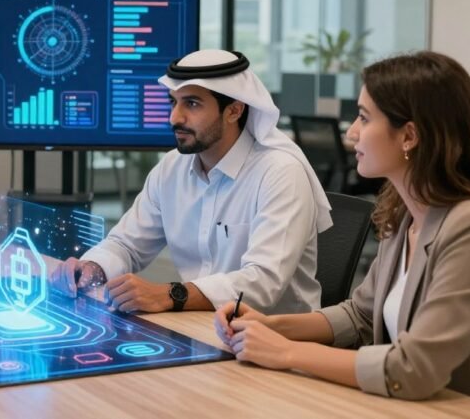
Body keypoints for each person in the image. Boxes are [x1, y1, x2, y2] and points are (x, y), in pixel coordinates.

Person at [215, 51, 470, 415]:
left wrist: (287, 352)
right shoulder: (407, 212)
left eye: (364, 118)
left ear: (409, 136)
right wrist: (271, 325)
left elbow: (414, 368)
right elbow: (362, 315)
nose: (352, 132)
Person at [51, 49, 332, 315]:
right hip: (199, 328)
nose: (175, 118)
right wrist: (93, 267)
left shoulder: (280, 172)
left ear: (234, 111)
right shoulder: (172, 168)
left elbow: (262, 283)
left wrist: (170, 295)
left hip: (279, 341)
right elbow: (126, 245)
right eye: (173, 102)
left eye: (192, 104)